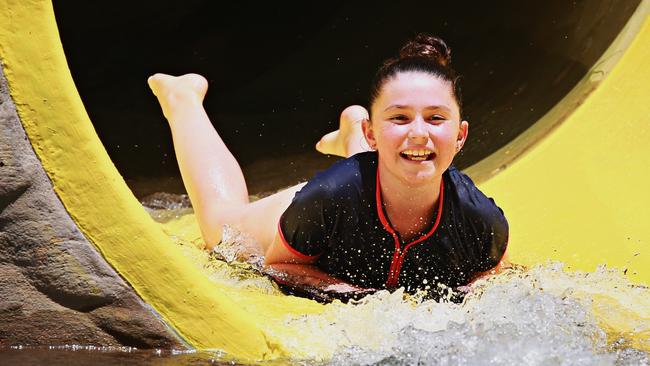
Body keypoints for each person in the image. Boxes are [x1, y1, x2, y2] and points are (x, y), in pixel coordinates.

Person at [148, 34, 509, 302]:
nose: (418, 133)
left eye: (435, 118)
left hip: (368, 178)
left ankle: (351, 128)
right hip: (319, 208)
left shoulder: (477, 217)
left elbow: (494, 277)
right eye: (399, 117)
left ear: (461, 135)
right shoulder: (329, 196)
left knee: (389, 165)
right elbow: (280, 265)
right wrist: (358, 296)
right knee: (221, 231)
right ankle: (183, 99)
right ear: (374, 132)